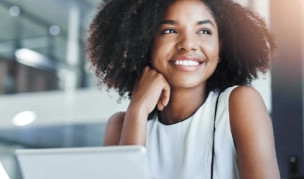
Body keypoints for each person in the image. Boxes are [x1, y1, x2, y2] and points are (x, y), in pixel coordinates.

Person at [87, 0, 281, 178]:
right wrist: (137, 111)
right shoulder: (122, 125)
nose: (188, 44)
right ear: (145, 43)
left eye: (204, 31)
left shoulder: (239, 104)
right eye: (170, 30)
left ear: (220, 48)